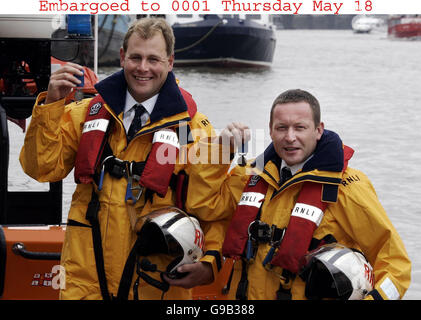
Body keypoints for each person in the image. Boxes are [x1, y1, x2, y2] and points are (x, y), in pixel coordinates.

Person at [19, 17, 229, 300]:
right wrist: (51, 104)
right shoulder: (84, 114)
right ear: (122, 57)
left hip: (154, 286)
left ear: (170, 62)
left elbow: (212, 204)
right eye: (136, 57)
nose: (143, 68)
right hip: (85, 283)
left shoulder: (194, 130)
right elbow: (39, 168)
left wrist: (211, 261)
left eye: (153, 59)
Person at [199, 89, 411, 300]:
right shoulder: (251, 175)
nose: (290, 137)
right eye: (281, 128)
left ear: (318, 130)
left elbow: (396, 264)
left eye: (300, 128)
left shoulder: (346, 187)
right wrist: (219, 150)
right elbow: (206, 206)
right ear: (271, 131)